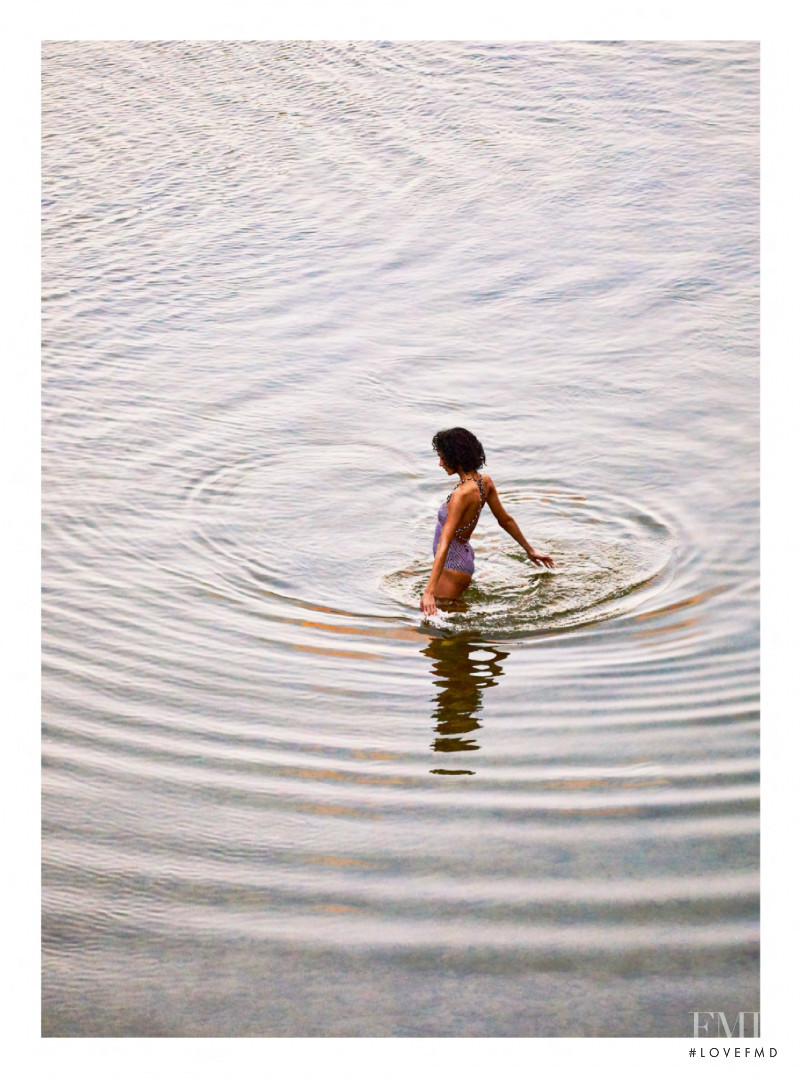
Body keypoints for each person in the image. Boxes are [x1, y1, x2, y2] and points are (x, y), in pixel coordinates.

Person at [420, 427, 554, 616]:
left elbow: (444, 543)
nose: (440, 463)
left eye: (443, 457)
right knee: (453, 617)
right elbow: (505, 520)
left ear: (456, 458)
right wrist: (529, 550)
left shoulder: (460, 495)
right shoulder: (484, 482)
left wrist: (428, 592)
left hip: (453, 565)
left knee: (439, 628)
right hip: (463, 560)